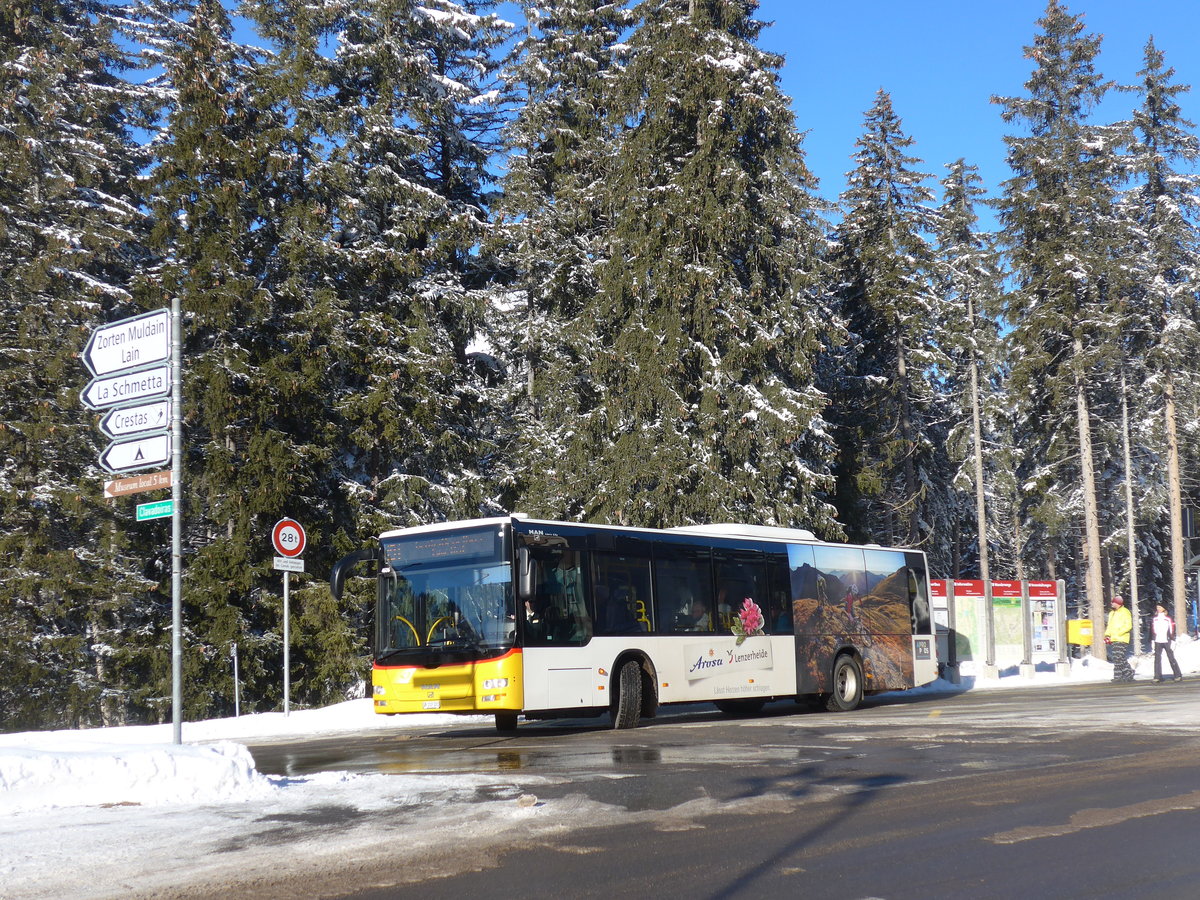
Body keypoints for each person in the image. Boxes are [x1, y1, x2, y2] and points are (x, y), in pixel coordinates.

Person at [1104, 595, 1134, 683]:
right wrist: (1107, 634)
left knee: (1119, 657)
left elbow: (1128, 625)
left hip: (1122, 638)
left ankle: (1127, 673)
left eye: (1113, 602)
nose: (1112, 603)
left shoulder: (1125, 612)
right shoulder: (1111, 613)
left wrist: (1119, 632)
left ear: (1118, 603)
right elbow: (1110, 625)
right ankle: (1120, 675)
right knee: (1117, 657)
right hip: (1114, 638)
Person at [1151, 602, 1183, 684]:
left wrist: (1172, 639)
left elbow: (1172, 628)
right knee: (1157, 659)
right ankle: (1157, 676)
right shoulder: (1155, 618)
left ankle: (1177, 675)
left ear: (1164, 609)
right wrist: (1152, 639)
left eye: (1160, 607)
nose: (1158, 609)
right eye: (1157, 607)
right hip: (1158, 640)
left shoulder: (1168, 618)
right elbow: (1152, 629)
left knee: (1171, 657)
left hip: (1167, 640)